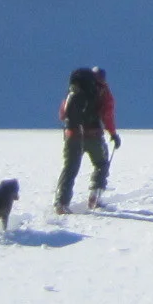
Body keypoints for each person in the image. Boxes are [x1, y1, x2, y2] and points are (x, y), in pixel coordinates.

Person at [54, 64, 120, 213]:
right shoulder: (102, 91)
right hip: (93, 135)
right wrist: (113, 134)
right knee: (101, 164)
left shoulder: (74, 90)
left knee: (70, 168)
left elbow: (62, 114)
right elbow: (107, 115)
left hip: (72, 135)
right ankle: (95, 196)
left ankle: (61, 202)